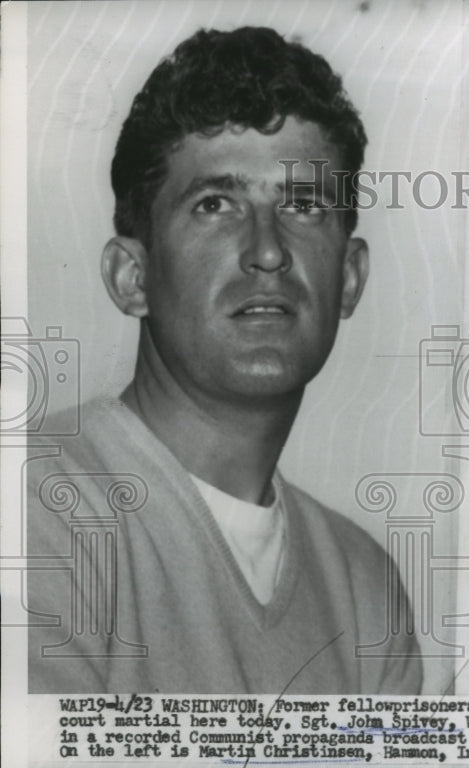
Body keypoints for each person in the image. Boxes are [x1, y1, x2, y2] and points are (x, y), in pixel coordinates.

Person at [26, 27, 422, 694]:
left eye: (302, 205)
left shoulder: (366, 589)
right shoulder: (38, 509)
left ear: (349, 278)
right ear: (132, 275)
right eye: (215, 204)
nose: (267, 250)